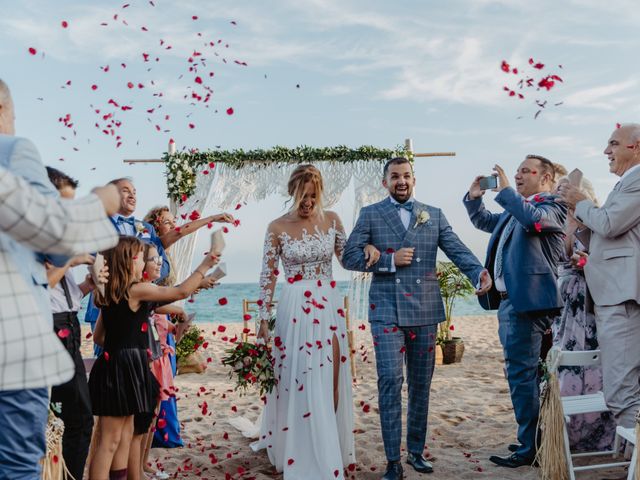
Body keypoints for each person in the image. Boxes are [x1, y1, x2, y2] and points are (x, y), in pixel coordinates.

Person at [0, 77, 120, 480]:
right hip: (13, 341)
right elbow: (57, 240)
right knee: (17, 466)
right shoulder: (12, 151)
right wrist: (102, 202)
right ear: (3, 110)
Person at [342, 157, 492, 480]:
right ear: (384, 182)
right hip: (386, 313)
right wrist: (387, 260)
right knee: (390, 382)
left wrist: (478, 271)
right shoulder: (370, 215)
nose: (401, 181)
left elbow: (457, 249)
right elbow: (348, 257)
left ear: (414, 179)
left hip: (425, 312)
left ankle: (415, 451)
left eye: (406, 175)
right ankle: (393, 462)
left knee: (421, 384)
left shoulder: (433, 215)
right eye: (394, 176)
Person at [249, 164, 355, 479]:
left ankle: (329, 447)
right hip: (294, 309)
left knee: (331, 376)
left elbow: (348, 258)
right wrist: (262, 319)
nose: (308, 202)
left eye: (313, 196)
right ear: (292, 193)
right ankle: (299, 446)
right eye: (302, 196)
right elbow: (267, 277)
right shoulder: (276, 227)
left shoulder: (333, 219)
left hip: (328, 306)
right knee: (297, 378)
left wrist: (372, 252)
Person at [463, 155, 567, 468]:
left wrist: (507, 191)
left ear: (546, 177)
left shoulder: (553, 206)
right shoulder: (515, 212)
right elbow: (484, 222)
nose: (518, 175)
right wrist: (474, 198)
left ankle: (528, 448)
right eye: (517, 171)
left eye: (525, 171)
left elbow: (533, 220)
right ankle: (531, 438)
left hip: (528, 303)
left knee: (521, 376)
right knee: (523, 375)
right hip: (509, 302)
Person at [88, 236, 219, 480]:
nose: (143, 263)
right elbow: (180, 291)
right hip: (127, 367)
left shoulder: (111, 293)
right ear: (128, 262)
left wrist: (124, 346)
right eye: (140, 257)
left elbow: (98, 337)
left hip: (118, 364)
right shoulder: (135, 289)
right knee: (110, 440)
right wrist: (206, 264)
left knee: (123, 436)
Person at [558, 123, 640, 429]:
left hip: (622, 295)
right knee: (625, 388)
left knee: (620, 392)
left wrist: (580, 200)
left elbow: (610, 224)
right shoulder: (624, 185)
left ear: (637, 147)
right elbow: (612, 236)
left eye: (613, 143)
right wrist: (578, 223)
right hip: (616, 292)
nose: (606, 151)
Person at [45, 166, 111, 480]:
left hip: (68, 326)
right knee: (78, 418)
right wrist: (72, 258)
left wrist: (87, 283)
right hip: (51, 330)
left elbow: (64, 292)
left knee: (71, 417)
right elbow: (39, 285)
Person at [551, 176, 616, 451]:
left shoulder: (596, 222)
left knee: (593, 370)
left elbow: (609, 263)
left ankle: (600, 437)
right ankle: (567, 438)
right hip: (564, 307)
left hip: (589, 303)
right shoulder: (558, 222)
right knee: (564, 370)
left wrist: (587, 262)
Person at [85, 178, 171, 353]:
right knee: (109, 357)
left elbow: (164, 266)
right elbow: (95, 262)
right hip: (108, 306)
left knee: (139, 358)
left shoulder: (146, 228)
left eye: (134, 191)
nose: (132, 194)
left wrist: (144, 278)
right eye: (125, 190)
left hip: (140, 307)